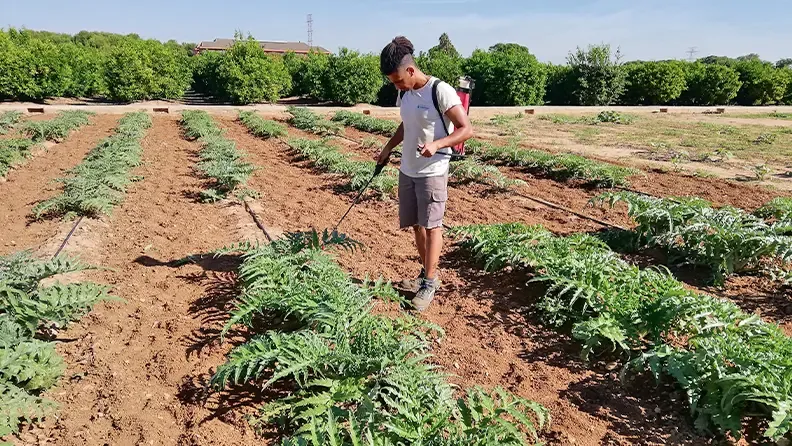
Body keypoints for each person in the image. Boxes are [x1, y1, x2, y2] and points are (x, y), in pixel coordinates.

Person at [376, 36, 474, 312]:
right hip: (408, 169)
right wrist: (387, 149)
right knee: (417, 226)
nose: (396, 86)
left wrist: (437, 144)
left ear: (410, 70)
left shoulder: (440, 91)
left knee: (432, 227)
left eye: (397, 80)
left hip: (433, 170)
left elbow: (466, 129)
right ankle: (425, 274)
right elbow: (405, 126)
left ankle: (430, 282)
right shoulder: (404, 92)